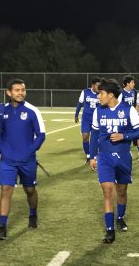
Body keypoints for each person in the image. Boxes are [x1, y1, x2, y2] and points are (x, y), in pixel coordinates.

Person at [0, 78, 45, 240]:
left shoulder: (32, 110)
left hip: (27, 160)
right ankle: (2, 228)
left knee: (29, 190)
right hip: (7, 160)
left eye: (23, 90)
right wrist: (2, 150)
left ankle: (32, 214)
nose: (21, 93)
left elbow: (41, 135)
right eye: (17, 90)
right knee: (6, 190)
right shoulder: (2, 110)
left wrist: (29, 151)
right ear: (9, 92)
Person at [90, 78, 139, 244]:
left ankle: (120, 218)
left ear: (110, 95)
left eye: (101, 94)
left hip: (124, 155)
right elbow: (95, 135)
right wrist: (92, 156)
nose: (98, 97)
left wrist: (123, 136)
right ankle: (110, 230)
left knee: (122, 191)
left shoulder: (128, 110)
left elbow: (137, 131)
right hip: (104, 156)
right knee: (107, 190)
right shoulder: (98, 111)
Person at [75, 76, 101, 163]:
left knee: (95, 139)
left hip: (96, 120)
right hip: (86, 118)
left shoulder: (101, 93)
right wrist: (76, 115)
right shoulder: (85, 92)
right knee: (85, 137)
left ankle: (94, 156)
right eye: (97, 85)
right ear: (92, 85)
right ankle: (88, 156)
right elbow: (80, 103)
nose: (99, 87)